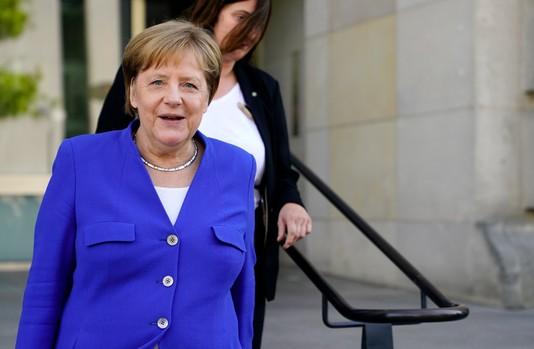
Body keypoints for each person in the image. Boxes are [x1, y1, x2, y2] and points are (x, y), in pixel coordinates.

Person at [16, 20, 256, 348]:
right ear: (132, 92)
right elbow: (45, 290)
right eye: (157, 82)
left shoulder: (239, 167)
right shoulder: (80, 160)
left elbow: (244, 295)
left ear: (207, 97)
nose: (173, 98)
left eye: (190, 85)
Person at [96, 1, 313, 347]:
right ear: (212, 10)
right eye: (241, 18)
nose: (252, 32)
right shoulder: (151, 75)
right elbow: (106, 153)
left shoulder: (262, 87)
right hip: (153, 226)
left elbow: (281, 169)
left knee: (236, 331)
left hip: (237, 234)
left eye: (259, 23)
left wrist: (290, 202)